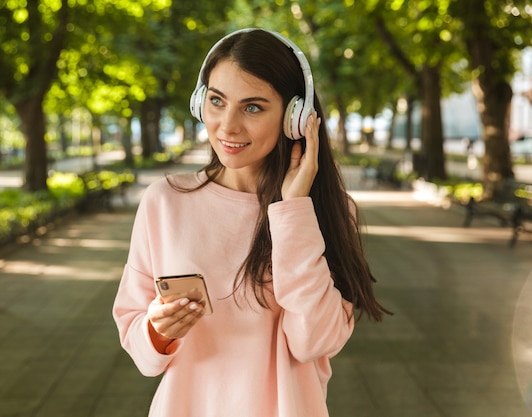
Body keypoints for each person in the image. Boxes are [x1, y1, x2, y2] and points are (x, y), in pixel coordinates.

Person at [112, 28, 390, 417]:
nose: (227, 126)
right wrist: (159, 330)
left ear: (294, 118)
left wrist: (293, 211)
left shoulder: (325, 209)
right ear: (199, 102)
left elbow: (313, 341)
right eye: (216, 101)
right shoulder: (165, 202)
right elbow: (141, 351)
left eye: (253, 107)